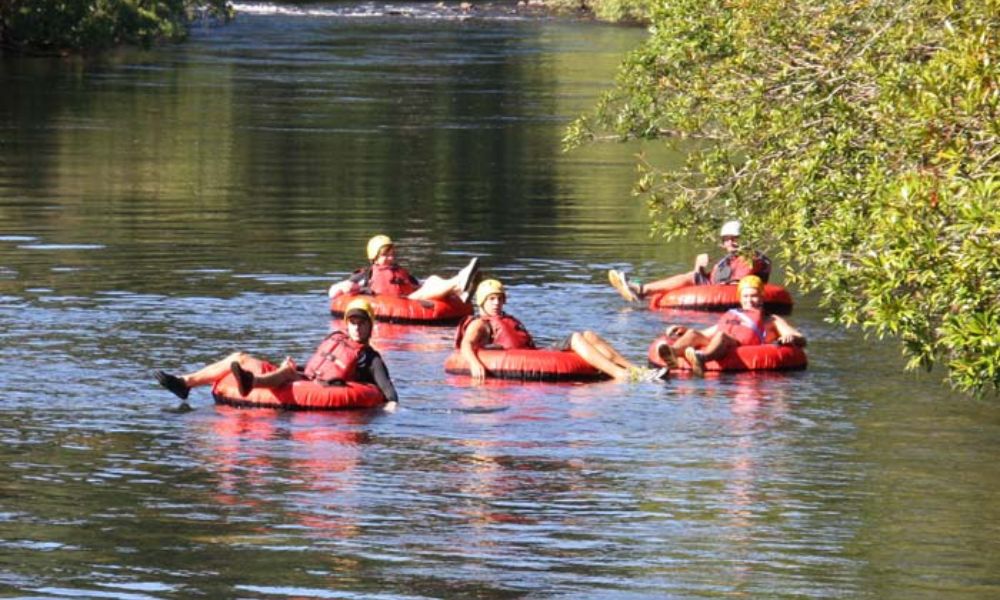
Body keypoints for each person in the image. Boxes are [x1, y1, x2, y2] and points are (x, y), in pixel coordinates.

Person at [154, 298, 398, 405]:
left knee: (285, 374)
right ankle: (185, 382)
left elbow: (390, 394)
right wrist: (296, 366)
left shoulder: (372, 358)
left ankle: (252, 382)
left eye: (361, 322)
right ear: (347, 324)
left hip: (324, 388)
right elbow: (317, 366)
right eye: (352, 322)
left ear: (370, 325)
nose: (356, 327)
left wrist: (384, 409)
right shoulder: (336, 339)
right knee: (240, 357)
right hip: (307, 377)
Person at [457, 278, 668, 382]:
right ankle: (620, 375)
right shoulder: (480, 323)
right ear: (482, 302)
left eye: (499, 299)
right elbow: (467, 344)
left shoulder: (505, 319)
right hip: (525, 359)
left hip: (535, 354)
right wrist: (475, 364)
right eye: (491, 299)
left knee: (588, 335)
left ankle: (635, 370)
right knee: (575, 338)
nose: (496, 303)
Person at [656, 275, 806, 376]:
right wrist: (684, 331)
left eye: (754, 295)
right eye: (746, 296)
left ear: (761, 297)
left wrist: (790, 337)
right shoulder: (734, 314)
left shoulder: (771, 320)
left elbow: (800, 338)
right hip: (720, 342)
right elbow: (707, 333)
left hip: (740, 347)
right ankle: (672, 353)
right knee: (694, 334)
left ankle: (702, 359)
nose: (750, 300)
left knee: (722, 336)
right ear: (740, 298)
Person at [608, 220, 772, 302]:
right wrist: (699, 267)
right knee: (692, 276)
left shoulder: (751, 258)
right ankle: (645, 292)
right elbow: (707, 281)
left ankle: (641, 290)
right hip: (716, 292)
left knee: (690, 278)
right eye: (726, 240)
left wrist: (696, 276)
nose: (730, 243)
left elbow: (738, 284)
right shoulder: (727, 260)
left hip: (734, 296)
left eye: (734, 238)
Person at [328, 234, 479, 303]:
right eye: (385, 255)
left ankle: (459, 290)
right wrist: (345, 286)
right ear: (374, 257)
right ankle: (458, 282)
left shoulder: (400, 271)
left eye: (392, 254)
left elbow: (418, 285)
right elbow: (332, 292)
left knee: (432, 279)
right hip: (403, 302)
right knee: (428, 289)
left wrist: (429, 285)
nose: (391, 258)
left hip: (412, 297)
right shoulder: (366, 275)